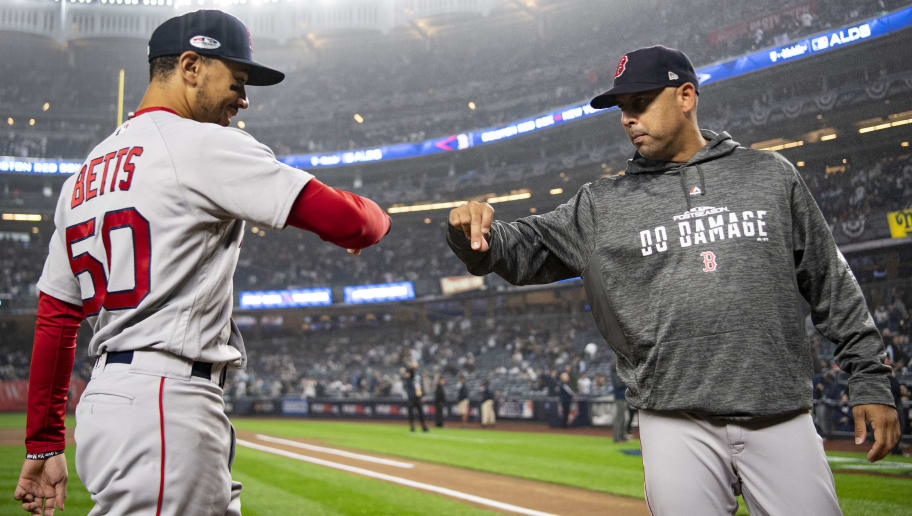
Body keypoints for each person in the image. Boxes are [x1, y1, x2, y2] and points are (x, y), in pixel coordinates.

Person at [446, 45, 900, 514]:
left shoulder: (769, 175)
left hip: (779, 411)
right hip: (673, 419)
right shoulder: (601, 204)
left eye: (640, 103)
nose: (628, 118)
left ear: (685, 96)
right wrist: (472, 232)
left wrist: (869, 378)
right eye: (622, 108)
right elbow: (520, 249)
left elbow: (830, 283)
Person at [14, 10, 391, 516]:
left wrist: (43, 440)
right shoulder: (201, 144)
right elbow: (355, 223)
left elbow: (57, 317)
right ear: (190, 66)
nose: (244, 98)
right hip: (165, 405)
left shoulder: (82, 176)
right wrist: (381, 218)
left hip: (111, 401)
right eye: (236, 80)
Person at [404, 362, 428, 432]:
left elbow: (420, 386)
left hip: (418, 396)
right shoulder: (410, 373)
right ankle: (412, 427)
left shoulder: (418, 375)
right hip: (411, 397)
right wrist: (411, 366)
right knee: (411, 413)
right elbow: (409, 372)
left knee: (421, 413)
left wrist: (422, 395)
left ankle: (424, 426)